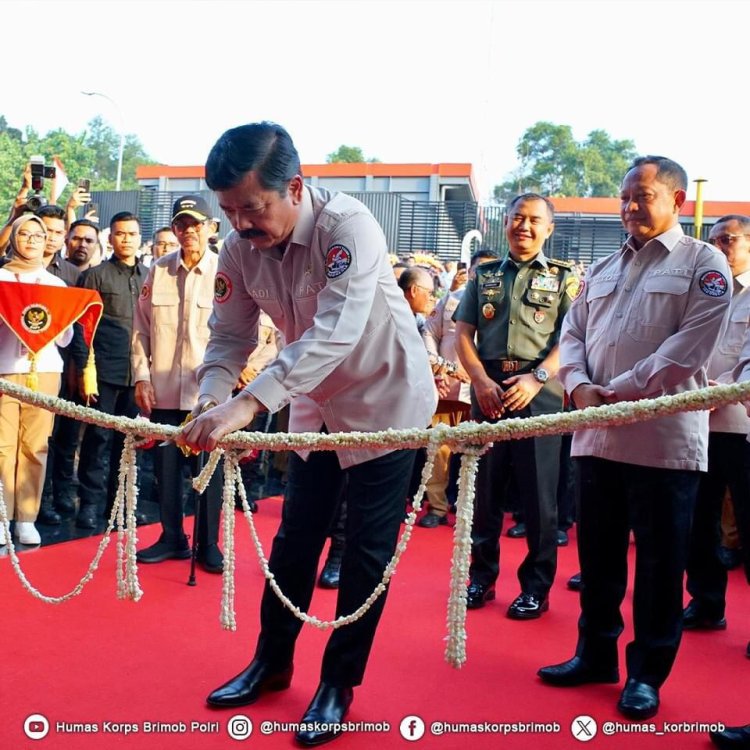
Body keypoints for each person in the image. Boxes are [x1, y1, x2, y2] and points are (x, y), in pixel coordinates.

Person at [176, 122, 436, 747]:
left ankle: (338, 684)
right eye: (228, 210)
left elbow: (336, 333)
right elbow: (231, 335)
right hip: (313, 407)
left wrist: (246, 406)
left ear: (294, 187)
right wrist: (212, 395)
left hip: (385, 405)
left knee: (367, 554)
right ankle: (272, 662)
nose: (239, 224)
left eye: (252, 208)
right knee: (295, 541)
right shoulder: (239, 247)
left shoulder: (350, 228)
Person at [538, 156, 731, 721]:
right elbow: (571, 335)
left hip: (662, 443)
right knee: (597, 559)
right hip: (597, 437)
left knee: (659, 565)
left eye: (642, 196)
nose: (629, 207)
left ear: (675, 200)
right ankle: (594, 655)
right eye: (624, 197)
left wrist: (613, 391)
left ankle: (647, 673)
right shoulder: (600, 268)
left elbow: (687, 351)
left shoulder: (703, 264)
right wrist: (577, 386)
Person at [454, 193, 576, 620]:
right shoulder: (484, 274)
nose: (524, 226)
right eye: (517, 218)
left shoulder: (564, 278)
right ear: (504, 223)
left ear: (549, 229)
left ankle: (535, 588)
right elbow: (462, 335)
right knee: (483, 494)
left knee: (539, 498)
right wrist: (480, 382)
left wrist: (538, 377)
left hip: (538, 394)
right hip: (487, 391)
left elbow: (571, 338)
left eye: (534, 220)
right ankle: (481, 578)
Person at [132, 196, 225, 573]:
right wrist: (141, 375)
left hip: (210, 394)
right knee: (166, 469)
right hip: (165, 388)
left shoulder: (225, 270)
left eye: (196, 224)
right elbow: (140, 330)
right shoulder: (158, 270)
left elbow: (260, 325)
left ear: (211, 227)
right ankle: (173, 537)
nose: (189, 231)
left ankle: (209, 543)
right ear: (174, 229)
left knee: (209, 471)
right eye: (182, 224)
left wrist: (250, 370)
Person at [683, 216, 750, 632]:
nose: (719, 247)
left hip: (741, 422)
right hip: (694, 423)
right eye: (712, 241)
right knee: (697, 520)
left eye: (728, 239)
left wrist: (718, 389)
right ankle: (706, 602)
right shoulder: (704, 290)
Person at [71, 212, 148, 529]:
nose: (126, 238)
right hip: (102, 371)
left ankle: (121, 507)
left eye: (131, 233)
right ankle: (89, 505)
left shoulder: (151, 277)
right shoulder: (95, 276)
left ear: (139, 238)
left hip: (138, 374)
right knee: (96, 442)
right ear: (110, 238)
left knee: (129, 445)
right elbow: (81, 327)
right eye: (120, 233)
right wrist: (82, 369)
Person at [0, 216, 73, 546]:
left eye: (38, 235)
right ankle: (2, 516)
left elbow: (64, 339)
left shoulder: (55, 284)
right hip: (4, 370)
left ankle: (26, 517)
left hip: (43, 371)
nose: (31, 240)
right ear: (13, 238)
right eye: (24, 234)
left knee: (36, 446)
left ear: (48, 242)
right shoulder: (0, 277)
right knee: (3, 446)